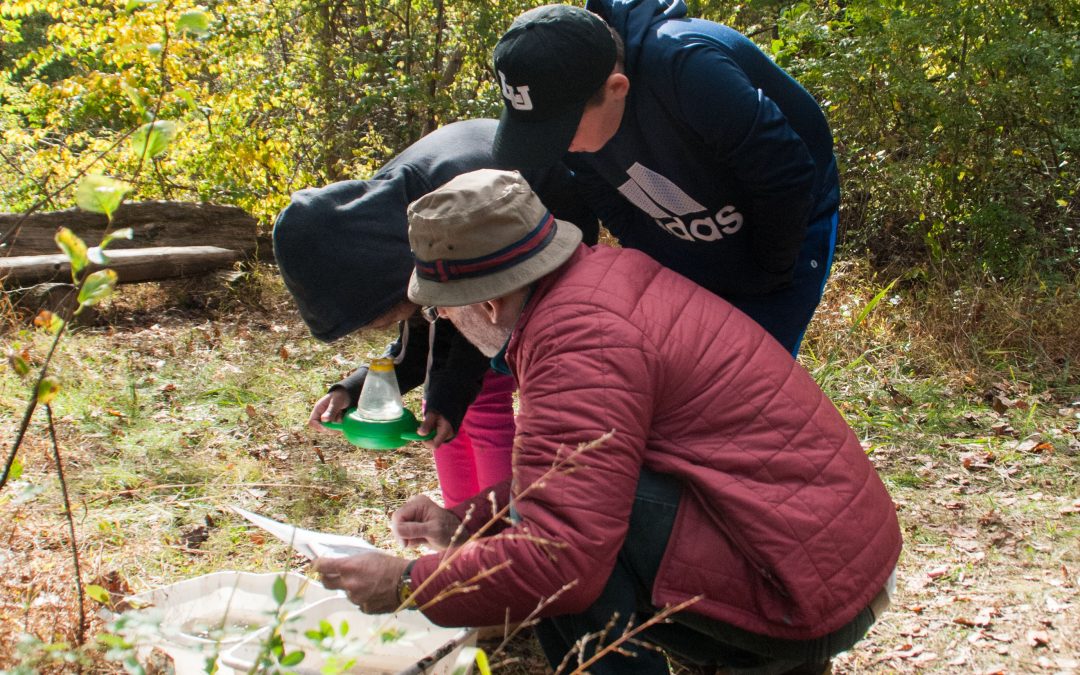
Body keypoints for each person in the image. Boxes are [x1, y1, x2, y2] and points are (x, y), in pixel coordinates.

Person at [315, 169, 901, 674]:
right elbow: (589, 473)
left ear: (487, 303)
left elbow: (558, 557)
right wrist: (463, 523)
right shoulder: (603, 280)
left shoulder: (579, 340)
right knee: (550, 511)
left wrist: (407, 582)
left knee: (554, 563)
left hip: (800, 590)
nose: (449, 323)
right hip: (829, 561)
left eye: (444, 312)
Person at [273, 120, 596, 506]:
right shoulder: (379, 227)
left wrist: (454, 388)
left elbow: (472, 331)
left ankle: (502, 527)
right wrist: (353, 390)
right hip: (467, 259)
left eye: (380, 318)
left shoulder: (448, 208)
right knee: (442, 402)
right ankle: (457, 524)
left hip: (543, 233)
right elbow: (424, 335)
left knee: (486, 386)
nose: (384, 326)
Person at [490, 1, 841, 355]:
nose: (557, 148)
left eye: (560, 133)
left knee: (755, 371)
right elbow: (607, 200)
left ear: (617, 88)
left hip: (788, 225)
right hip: (693, 233)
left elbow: (785, 176)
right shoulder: (568, 109)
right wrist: (662, 264)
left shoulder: (687, 66)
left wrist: (768, 272)